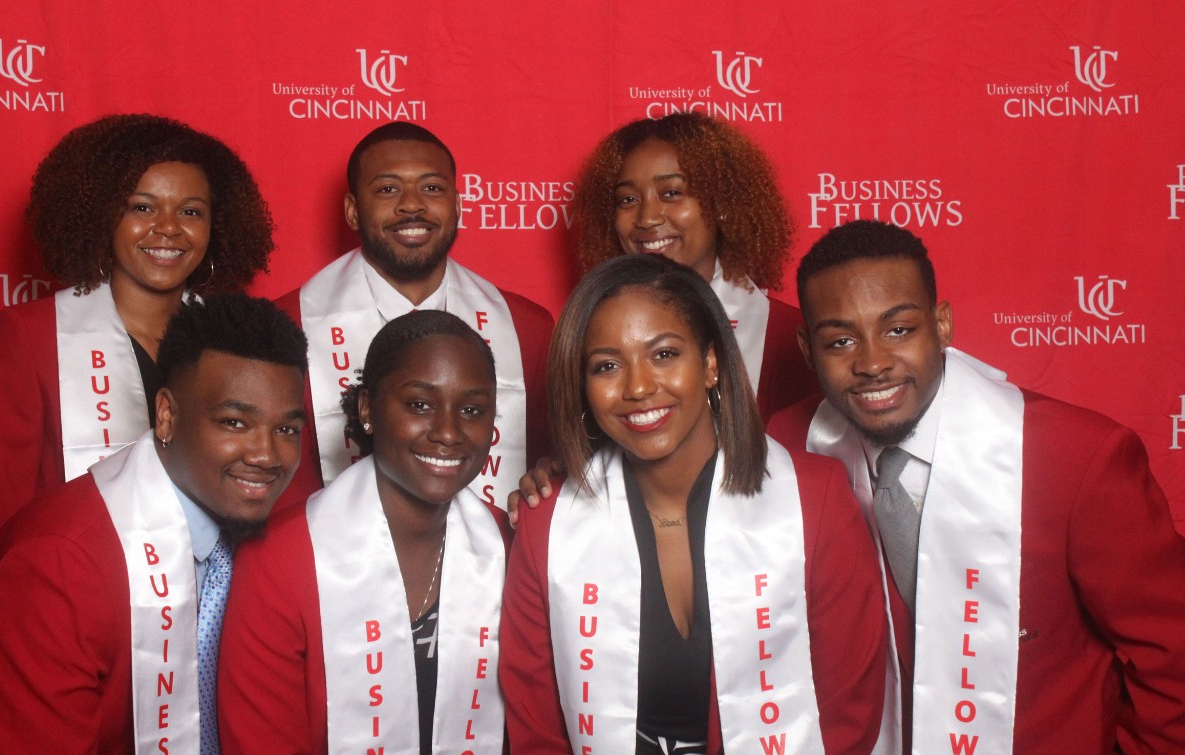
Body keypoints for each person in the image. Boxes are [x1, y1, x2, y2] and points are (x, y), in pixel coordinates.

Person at [766, 220, 1185, 753]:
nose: (872, 363)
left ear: (941, 325)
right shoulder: (786, 445)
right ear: (807, 349)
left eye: (899, 330)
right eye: (841, 340)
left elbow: (1174, 657)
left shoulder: (1078, 456)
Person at [499, 254, 887, 754]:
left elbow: (848, 710)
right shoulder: (546, 522)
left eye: (663, 355)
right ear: (584, 386)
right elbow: (538, 727)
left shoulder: (816, 500)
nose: (638, 387)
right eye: (608, 366)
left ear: (709, 363)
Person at [0, 294, 307, 753]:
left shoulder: (257, 538)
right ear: (167, 415)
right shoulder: (58, 567)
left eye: (287, 430)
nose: (266, 456)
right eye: (234, 423)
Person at [0, 114, 275, 600]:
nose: (167, 229)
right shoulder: (32, 338)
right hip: (66, 606)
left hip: (212, 615)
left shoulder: (241, 344)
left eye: (191, 212)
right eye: (142, 207)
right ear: (104, 216)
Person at [218, 309, 510, 754]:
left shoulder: (506, 541)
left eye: (471, 409)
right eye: (419, 405)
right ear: (368, 410)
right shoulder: (279, 559)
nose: (449, 432)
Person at [274, 120, 552, 510]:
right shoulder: (283, 328)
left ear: (457, 205)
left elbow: (550, 476)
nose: (412, 204)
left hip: (495, 562)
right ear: (353, 211)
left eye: (432, 188)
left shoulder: (529, 330)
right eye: (388, 189)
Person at [574, 111, 818, 421]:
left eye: (672, 193)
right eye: (627, 199)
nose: (647, 217)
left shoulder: (786, 339)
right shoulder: (588, 336)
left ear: (723, 206)